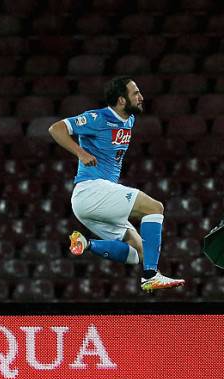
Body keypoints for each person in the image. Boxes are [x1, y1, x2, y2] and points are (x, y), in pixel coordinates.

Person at [48, 76, 184, 292]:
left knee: (138, 250)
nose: (141, 97)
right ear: (121, 100)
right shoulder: (96, 118)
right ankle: (151, 276)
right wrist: (81, 153)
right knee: (155, 208)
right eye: (135, 93)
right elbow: (56, 129)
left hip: (89, 204)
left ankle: (86, 243)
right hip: (91, 190)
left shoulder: (129, 119)